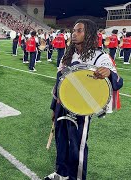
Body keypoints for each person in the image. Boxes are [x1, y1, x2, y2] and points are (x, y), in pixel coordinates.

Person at [45, 19, 123, 180]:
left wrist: (108, 73)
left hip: (82, 108)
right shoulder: (68, 54)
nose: (74, 33)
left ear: (89, 34)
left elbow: (118, 81)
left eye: (79, 30)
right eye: (74, 30)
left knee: (77, 146)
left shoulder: (99, 56)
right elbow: (59, 82)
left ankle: (77, 177)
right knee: (60, 141)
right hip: (62, 105)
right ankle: (61, 173)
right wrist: (54, 106)